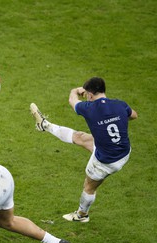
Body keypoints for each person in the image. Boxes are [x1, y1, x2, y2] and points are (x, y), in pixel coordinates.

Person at [30, 77, 138, 222]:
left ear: (90, 95)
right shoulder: (120, 105)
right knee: (80, 137)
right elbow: (133, 116)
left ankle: (82, 215)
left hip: (106, 162)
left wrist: (76, 90)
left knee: (89, 186)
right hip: (123, 151)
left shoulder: (88, 108)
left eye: (87, 94)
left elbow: (72, 100)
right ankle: (45, 125)